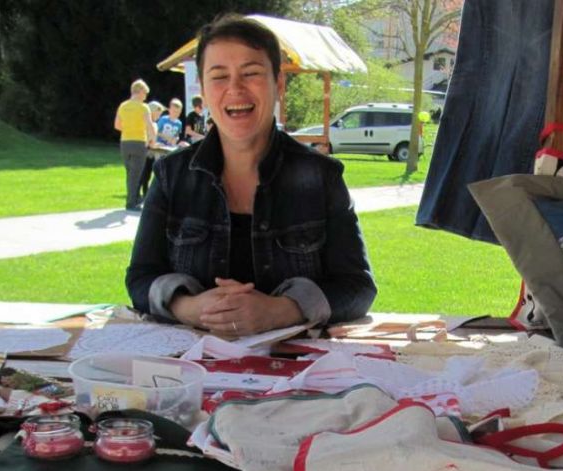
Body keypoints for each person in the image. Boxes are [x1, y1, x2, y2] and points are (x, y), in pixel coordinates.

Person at [126, 14, 376, 336]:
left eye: (251, 73)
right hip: (188, 362)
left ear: (279, 84)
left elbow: (357, 287)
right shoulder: (171, 175)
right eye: (219, 76)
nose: (235, 88)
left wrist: (279, 311)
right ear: (203, 89)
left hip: (294, 364)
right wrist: (191, 308)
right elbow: (140, 277)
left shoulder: (321, 176)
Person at [114, 79, 156, 211]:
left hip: (125, 142)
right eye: (145, 93)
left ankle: (134, 198)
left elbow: (117, 125)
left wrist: (129, 128)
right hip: (139, 142)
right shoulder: (143, 107)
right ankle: (131, 202)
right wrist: (152, 139)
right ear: (140, 91)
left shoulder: (123, 106)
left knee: (130, 172)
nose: (145, 96)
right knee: (136, 173)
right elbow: (149, 125)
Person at [140, 101, 165, 201]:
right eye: (158, 113)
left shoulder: (154, 124)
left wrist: (156, 144)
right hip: (145, 151)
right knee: (143, 174)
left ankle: (145, 194)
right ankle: (139, 194)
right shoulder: (147, 123)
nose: (159, 116)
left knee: (148, 174)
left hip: (151, 152)